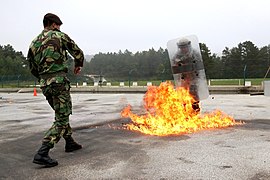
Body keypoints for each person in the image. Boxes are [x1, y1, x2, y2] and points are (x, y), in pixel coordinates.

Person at [27, 13, 84, 167]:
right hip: (58, 82)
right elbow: (77, 51)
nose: (59, 28)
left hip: (45, 84)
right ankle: (43, 152)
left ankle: (70, 142)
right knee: (62, 117)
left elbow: (32, 67)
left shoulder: (34, 43)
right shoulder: (59, 36)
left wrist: (44, 77)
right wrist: (78, 63)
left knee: (61, 113)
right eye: (58, 25)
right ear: (53, 24)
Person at [172, 38, 202, 112]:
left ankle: (195, 110)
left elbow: (199, 63)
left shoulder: (194, 53)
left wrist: (193, 64)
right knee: (183, 93)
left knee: (193, 93)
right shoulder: (177, 54)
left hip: (193, 76)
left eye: (184, 47)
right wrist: (178, 62)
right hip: (183, 77)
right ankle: (184, 110)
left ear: (188, 46)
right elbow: (174, 61)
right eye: (181, 47)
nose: (183, 49)